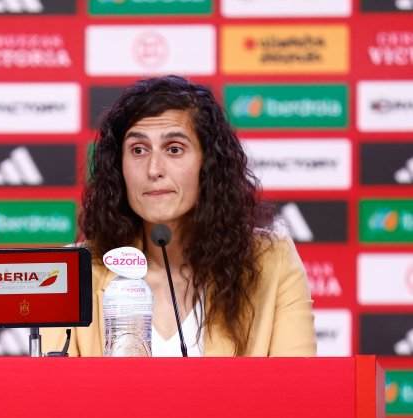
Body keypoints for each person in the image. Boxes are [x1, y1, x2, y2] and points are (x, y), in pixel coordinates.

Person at [42, 75, 316, 357]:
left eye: (174, 149)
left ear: (208, 164)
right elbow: (49, 396)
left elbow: (297, 391)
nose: (153, 169)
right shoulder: (72, 275)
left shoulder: (272, 262)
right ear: (118, 168)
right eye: (138, 150)